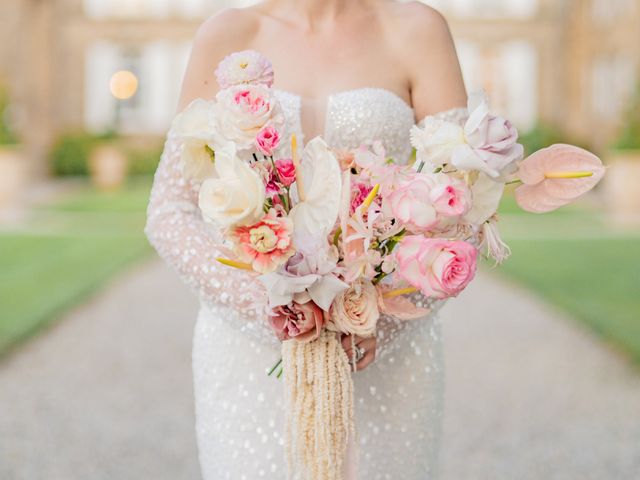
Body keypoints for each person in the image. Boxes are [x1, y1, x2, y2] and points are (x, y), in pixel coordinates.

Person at [145, 0, 468, 478]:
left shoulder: (418, 29)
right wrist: (276, 310)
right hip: (247, 350)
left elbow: (460, 209)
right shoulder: (227, 35)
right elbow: (170, 210)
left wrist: (371, 321)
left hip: (388, 353)